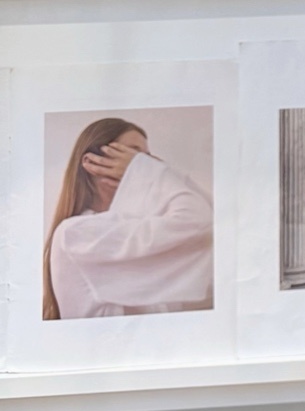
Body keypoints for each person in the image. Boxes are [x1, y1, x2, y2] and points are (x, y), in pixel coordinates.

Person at [43, 117, 214, 319]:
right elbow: (198, 220)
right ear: (92, 163)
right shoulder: (77, 232)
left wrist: (157, 171)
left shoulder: (128, 228)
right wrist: (154, 173)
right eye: (135, 156)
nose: (146, 166)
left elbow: (214, 224)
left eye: (147, 160)